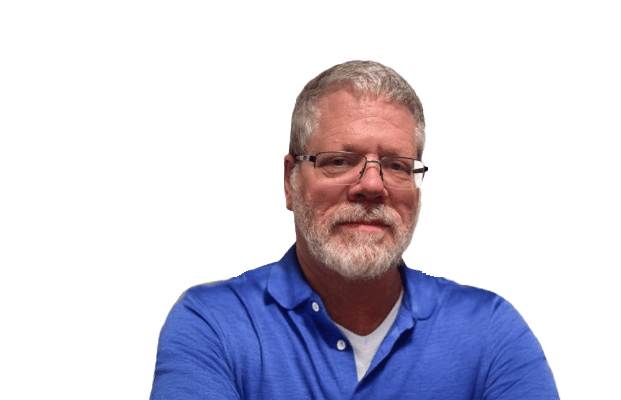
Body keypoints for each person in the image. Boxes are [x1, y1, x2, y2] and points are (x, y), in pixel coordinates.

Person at [149, 60, 559, 399]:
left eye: (397, 165)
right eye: (340, 161)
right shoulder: (213, 324)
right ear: (290, 181)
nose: (372, 185)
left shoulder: (490, 332)